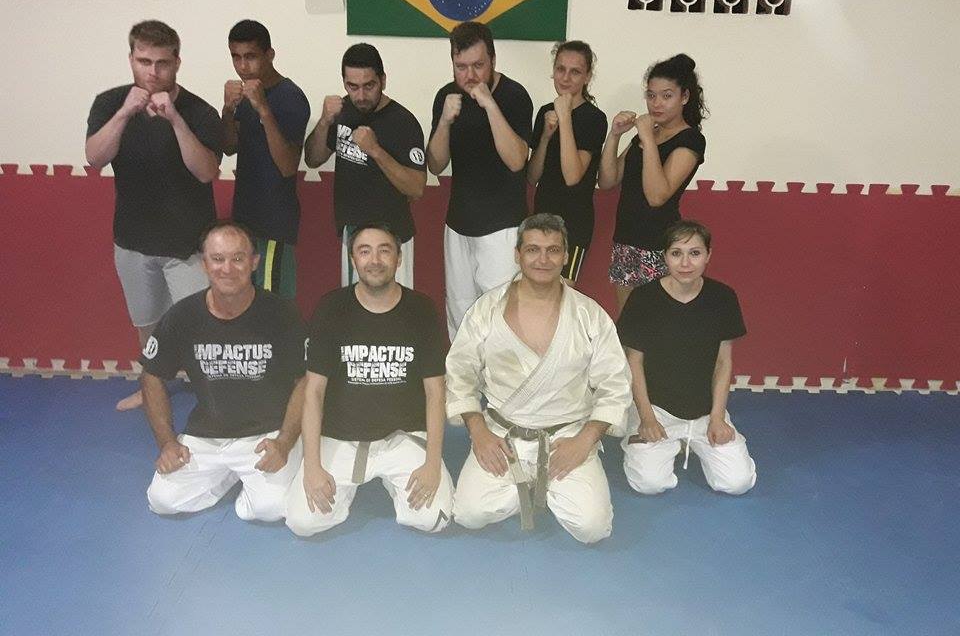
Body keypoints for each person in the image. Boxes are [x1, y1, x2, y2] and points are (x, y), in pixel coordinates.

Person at [445, 213, 632, 543]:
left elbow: (615, 384)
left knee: (592, 529)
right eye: (532, 249)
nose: (543, 259)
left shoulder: (589, 314)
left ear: (566, 256)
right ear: (517, 255)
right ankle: (536, 486)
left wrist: (585, 441)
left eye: (553, 250)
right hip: (503, 435)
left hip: (566, 436)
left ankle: (541, 485)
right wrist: (479, 431)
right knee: (469, 514)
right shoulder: (487, 308)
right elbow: (460, 373)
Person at [86, 20, 221, 411]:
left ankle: (214, 397)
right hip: (133, 240)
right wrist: (125, 113)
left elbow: (206, 172)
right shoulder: (110, 103)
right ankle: (152, 388)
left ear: (177, 62)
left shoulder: (198, 111)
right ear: (131, 59)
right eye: (144, 61)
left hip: (188, 244)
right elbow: (95, 158)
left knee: (200, 325)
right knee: (147, 325)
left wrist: (175, 119)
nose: (153, 72)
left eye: (162, 63)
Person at [285, 222, 454, 536]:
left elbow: (435, 392)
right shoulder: (331, 308)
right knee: (302, 522)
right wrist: (312, 466)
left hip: (402, 436)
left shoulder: (421, 310)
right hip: (340, 436)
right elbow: (313, 392)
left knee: (433, 519)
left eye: (384, 251)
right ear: (353, 260)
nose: (374, 260)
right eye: (364, 251)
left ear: (398, 259)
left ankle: (394, 479)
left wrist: (432, 463)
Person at [141, 220, 307, 521]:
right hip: (206, 436)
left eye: (238, 258)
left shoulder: (282, 314)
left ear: (254, 262)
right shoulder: (183, 316)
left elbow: (305, 381)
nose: (227, 269)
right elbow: (152, 374)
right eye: (217, 259)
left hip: (266, 435)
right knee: (162, 500)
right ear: (204, 264)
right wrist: (167, 442)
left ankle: (250, 481)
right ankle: (229, 475)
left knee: (270, 509)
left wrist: (285, 441)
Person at [617, 220, 756, 496]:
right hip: (657, 409)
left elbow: (723, 363)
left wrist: (717, 417)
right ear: (665, 256)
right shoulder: (643, 299)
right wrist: (647, 418)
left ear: (708, 255)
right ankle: (657, 440)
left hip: (704, 410)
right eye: (676, 253)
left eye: (695, 253)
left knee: (737, 483)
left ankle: (690, 438)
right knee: (649, 484)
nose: (685, 263)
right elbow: (634, 362)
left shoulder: (722, 298)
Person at [426, 21, 533, 338]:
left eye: (478, 65)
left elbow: (516, 160)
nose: (469, 75)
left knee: (502, 317)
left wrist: (489, 105)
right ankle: (463, 372)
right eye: (461, 67)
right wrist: (444, 122)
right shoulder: (446, 96)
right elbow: (435, 164)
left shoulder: (514, 96)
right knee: (460, 313)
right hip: (458, 225)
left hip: (503, 228)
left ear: (493, 60)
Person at [303, 44, 425, 288]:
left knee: (394, 307)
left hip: (393, 237)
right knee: (355, 306)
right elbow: (313, 159)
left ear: (383, 80)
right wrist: (325, 121)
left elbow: (416, 188)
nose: (360, 96)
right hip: (353, 235)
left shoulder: (403, 121)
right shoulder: (341, 113)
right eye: (352, 86)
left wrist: (375, 150)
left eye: (369, 86)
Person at [598, 53, 708, 313]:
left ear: (684, 97)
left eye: (666, 96)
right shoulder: (647, 135)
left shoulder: (690, 139)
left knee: (659, 324)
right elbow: (607, 180)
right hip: (626, 240)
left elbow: (657, 196)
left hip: (661, 245)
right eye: (651, 95)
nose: (656, 103)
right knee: (628, 321)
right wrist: (614, 136)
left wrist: (647, 138)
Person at [222, 19, 310, 298]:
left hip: (275, 223)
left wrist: (263, 109)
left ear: (269, 55)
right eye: (236, 57)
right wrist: (227, 110)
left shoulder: (290, 97)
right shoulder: (243, 95)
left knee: (273, 304)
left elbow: (287, 166)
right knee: (245, 301)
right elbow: (229, 147)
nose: (242, 66)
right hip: (244, 218)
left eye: (250, 56)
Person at [527, 41, 607, 283]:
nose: (565, 77)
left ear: (587, 76)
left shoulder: (594, 119)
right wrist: (545, 137)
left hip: (574, 223)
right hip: (542, 218)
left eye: (575, 72)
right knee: (537, 290)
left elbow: (573, 176)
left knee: (563, 293)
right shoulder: (545, 112)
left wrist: (565, 118)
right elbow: (532, 176)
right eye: (560, 69)